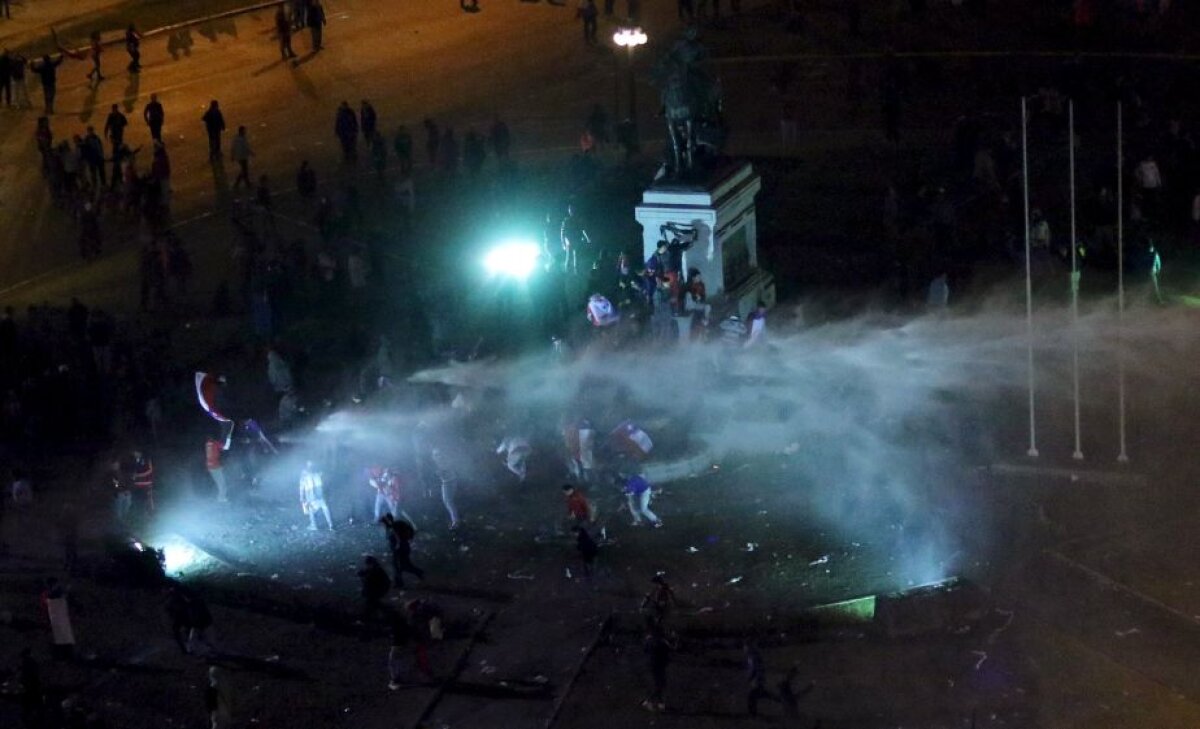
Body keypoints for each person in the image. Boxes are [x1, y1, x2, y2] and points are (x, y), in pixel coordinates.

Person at [382, 515, 425, 589]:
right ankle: (417, 573)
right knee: (403, 565)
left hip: (399, 549)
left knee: (399, 566)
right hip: (403, 548)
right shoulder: (397, 525)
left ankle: (400, 582)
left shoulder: (393, 527)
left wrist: (398, 545)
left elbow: (397, 538)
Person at [40, 578, 75, 660]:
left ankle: (63, 656)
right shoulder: (51, 595)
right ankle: (63, 656)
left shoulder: (49, 594)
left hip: (56, 619)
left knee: (60, 639)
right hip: (57, 619)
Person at [642, 626, 672, 712]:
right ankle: (650, 701)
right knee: (660, 684)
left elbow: (645, 650)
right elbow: (668, 652)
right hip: (659, 665)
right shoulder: (663, 643)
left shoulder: (649, 641)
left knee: (658, 683)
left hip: (651, 664)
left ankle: (659, 702)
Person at [744, 641, 778, 716]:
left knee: (752, 696)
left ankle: (753, 714)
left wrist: (750, 678)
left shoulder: (752, 656)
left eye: (745, 647)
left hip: (757, 680)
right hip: (758, 680)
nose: (744, 649)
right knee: (755, 696)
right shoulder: (754, 656)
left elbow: (754, 669)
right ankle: (780, 700)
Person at [299, 460, 333, 530]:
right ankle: (330, 525)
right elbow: (325, 483)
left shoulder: (304, 476)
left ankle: (313, 525)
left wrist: (301, 497)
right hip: (320, 494)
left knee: (311, 509)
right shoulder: (317, 474)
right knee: (325, 509)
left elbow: (301, 487)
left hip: (311, 495)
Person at [358, 555, 392, 619]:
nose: (368, 565)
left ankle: (368, 617)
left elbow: (371, 579)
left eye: (369, 563)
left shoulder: (377, 570)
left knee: (372, 604)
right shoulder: (373, 569)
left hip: (376, 591)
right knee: (374, 604)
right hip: (374, 592)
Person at [127, 448, 155, 515]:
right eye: (133, 453)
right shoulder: (134, 461)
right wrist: (133, 476)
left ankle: (150, 514)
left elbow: (150, 470)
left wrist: (138, 475)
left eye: (135, 452)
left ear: (139, 452)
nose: (134, 454)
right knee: (138, 500)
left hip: (146, 483)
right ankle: (139, 514)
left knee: (147, 499)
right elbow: (133, 472)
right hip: (137, 484)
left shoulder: (146, 459)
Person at [205, 436, 230, 502]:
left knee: (219, 483)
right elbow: (226, 447)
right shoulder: (215, 443)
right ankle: (221, 498)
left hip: (210, 466)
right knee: (222, 484)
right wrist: (228, 439)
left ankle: (220, 497)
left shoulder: (207, 444)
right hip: (215, 467)